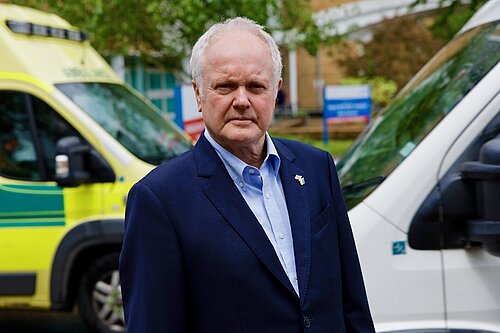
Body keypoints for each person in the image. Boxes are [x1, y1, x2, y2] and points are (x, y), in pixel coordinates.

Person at [120, 17, 375, 333]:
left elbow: (352, 302)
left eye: (255, 86)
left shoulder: (316, 167)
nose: (241, 100)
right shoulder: (159, 199)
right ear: (199, 95)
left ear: (275, 92)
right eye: (225, 86)